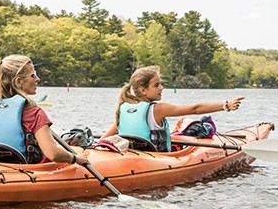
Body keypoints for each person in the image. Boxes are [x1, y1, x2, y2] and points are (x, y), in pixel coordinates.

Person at [0, 54, 88, 166]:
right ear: (18, 81)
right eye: (33, 75)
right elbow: (53, 154)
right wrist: (75, 158)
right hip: (28, 169)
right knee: (76, 149)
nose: (38, 79)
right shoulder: (35, 113)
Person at [99, 65, 245, 151]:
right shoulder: (158, 109)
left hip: (130, 157)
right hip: (154, 160)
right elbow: (195, 109)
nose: (161, 88)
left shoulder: (124, 109)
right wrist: (225, 105)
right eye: (156, 85)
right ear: (143, 90)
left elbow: (103, 140)